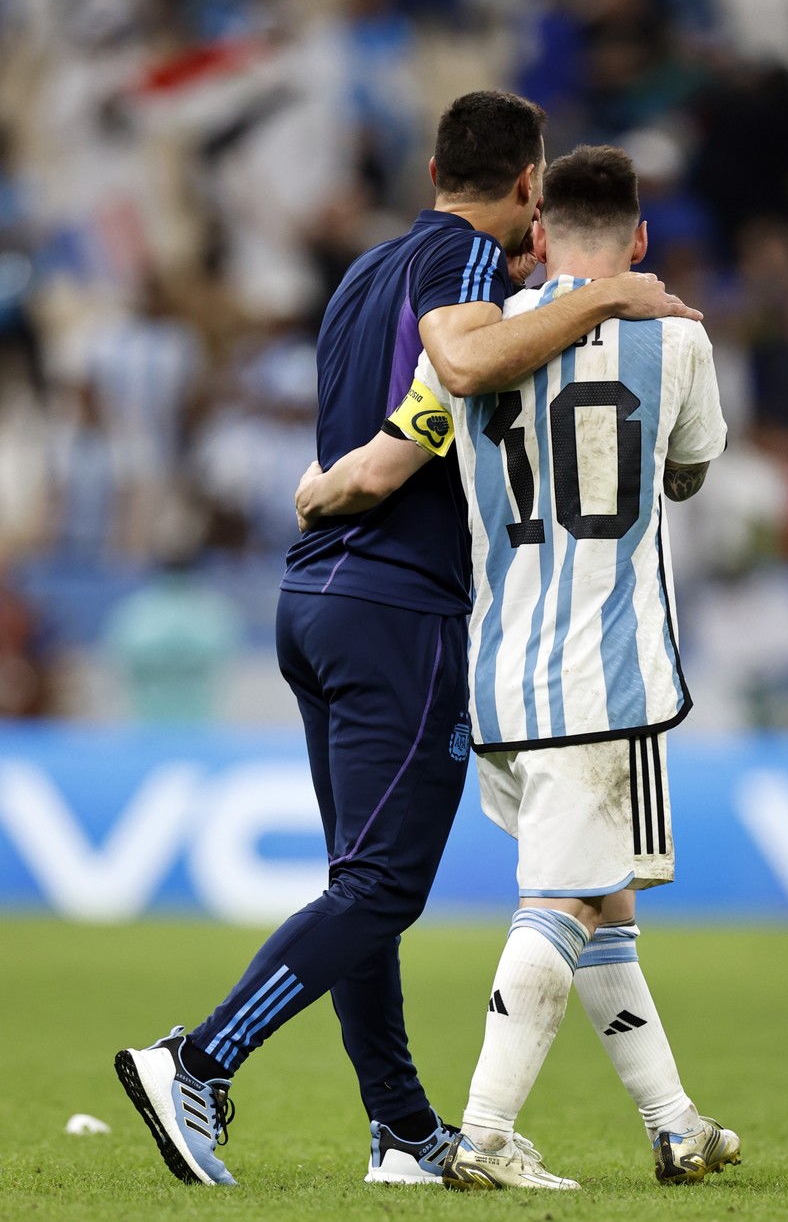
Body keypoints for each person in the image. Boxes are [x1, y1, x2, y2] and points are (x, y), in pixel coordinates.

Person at [114, 93, 703, 1189]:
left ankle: (401, 1129)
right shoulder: (464, 272)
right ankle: (193, 1059)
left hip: (314, 599)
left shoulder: (359, 274)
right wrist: (615, 291)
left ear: (432, 164)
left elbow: (392, 409)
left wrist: (346, 476)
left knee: (359, 886)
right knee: (382, 887)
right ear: (529, 192)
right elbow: (461, 370)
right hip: (398, 607)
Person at [295, 144, 739, 1189]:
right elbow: (685, 472)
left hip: (496, 671)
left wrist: (312, 494)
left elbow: (380, 466)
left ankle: (673, 1120)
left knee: (601, 894)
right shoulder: (673, 339)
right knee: (566, 899)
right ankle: (483, 1130)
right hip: (607, 671)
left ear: (537, 234)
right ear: (636, 240)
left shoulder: (472, 342)